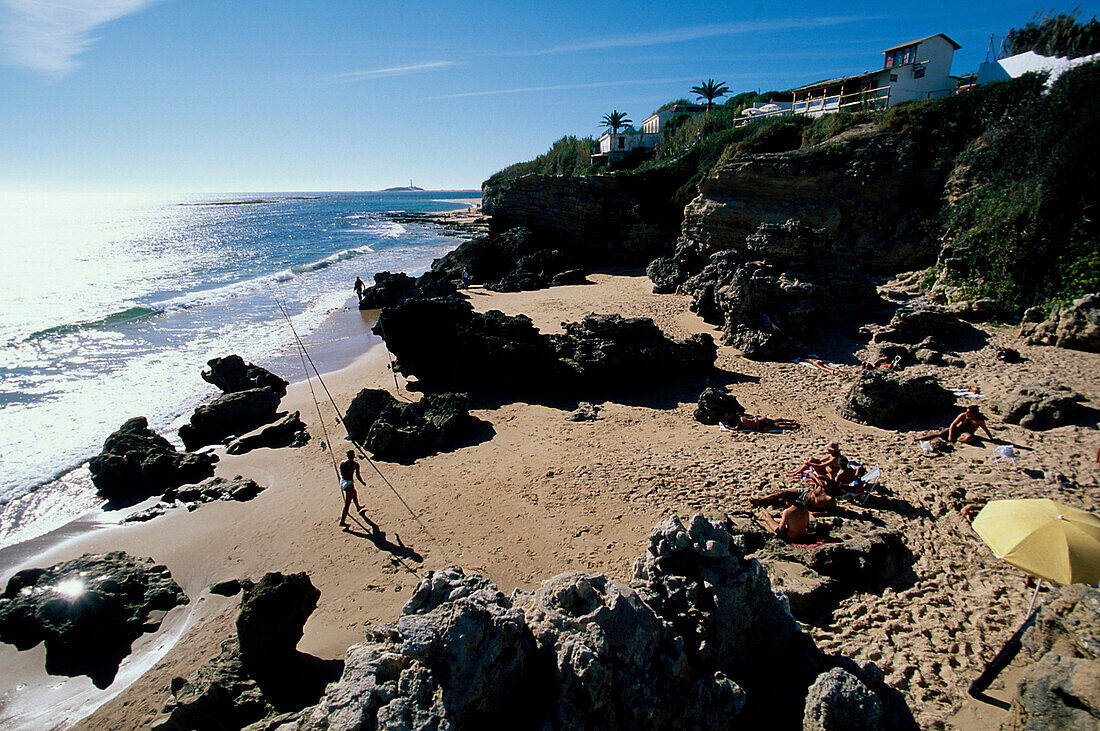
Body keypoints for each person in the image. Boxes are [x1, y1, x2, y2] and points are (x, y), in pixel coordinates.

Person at [916, 405, 994, 445]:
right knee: (940, 434)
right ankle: (920, 439)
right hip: (956, 429)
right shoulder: (963, 415)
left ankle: (958, 440)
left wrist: (991, 439)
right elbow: (953, 424)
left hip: (965, 433)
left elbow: (985, 429)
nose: (967, 413)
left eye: (969, 412)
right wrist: (950, 435)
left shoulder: (979, 420)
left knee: (969, 438)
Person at [338, 450, 367, 528]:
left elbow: (342, 473)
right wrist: (362, 482)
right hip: (349, 484)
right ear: (353, 455)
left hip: (343, 481)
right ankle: (342, 521)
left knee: (354, 493)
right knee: (347, 504)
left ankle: (358, 507)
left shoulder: (342, 463)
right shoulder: (355, 465)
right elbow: (358, 476)